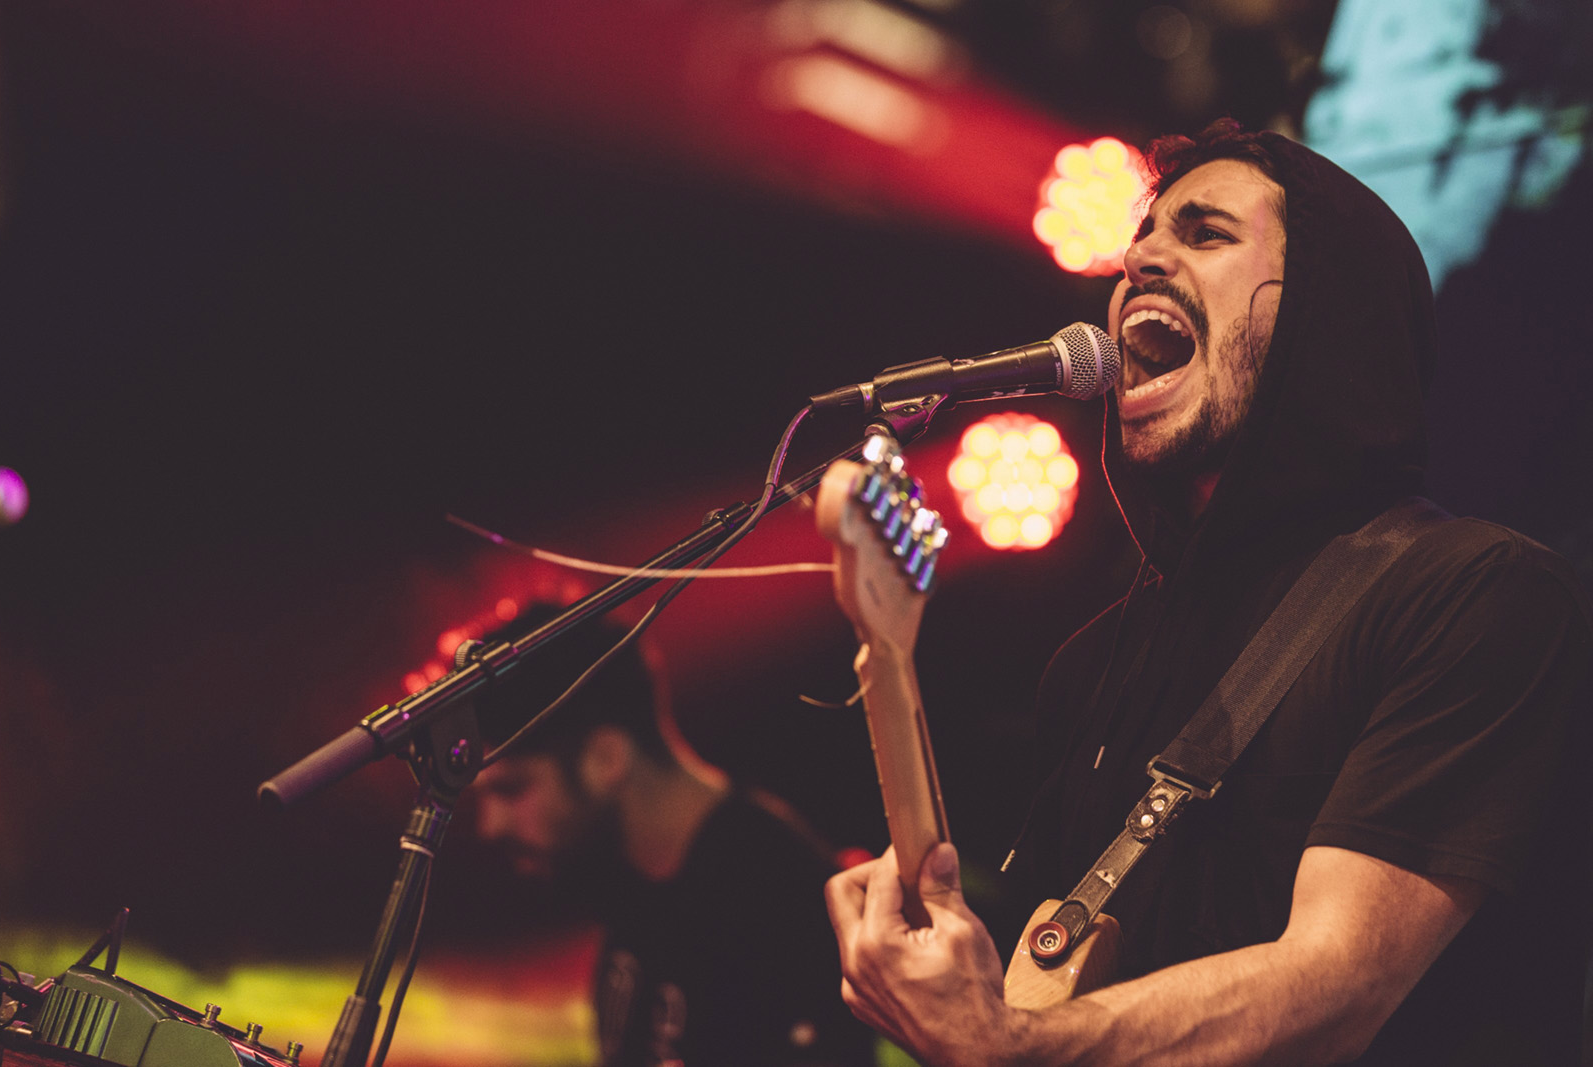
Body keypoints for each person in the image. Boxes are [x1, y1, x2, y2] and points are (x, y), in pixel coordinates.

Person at [823, 120, 1592, 1065]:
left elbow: (1342, 983)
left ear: (1322, 309)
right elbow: (1054, 989)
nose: (1140, 256)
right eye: (1143, 237)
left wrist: (1010, 1043)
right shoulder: (1094, 661)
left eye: (1204, 232)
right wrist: (951, 966)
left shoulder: (1474, 591)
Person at [472, 604, 878, 1067]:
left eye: (511, 788)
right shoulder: (629, 882)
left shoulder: (778, 895)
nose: (490, 825)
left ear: (607, 758)